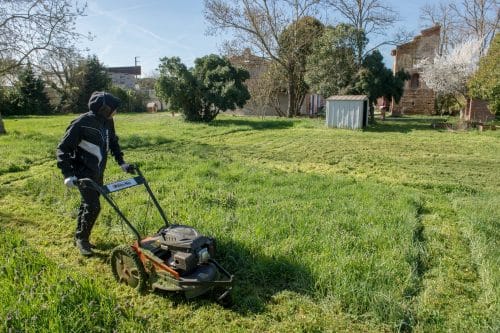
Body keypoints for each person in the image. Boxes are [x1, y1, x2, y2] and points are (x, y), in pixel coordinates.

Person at [56, 91, 133, 256]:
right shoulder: (81, 123)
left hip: (98, 170)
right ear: (104, 108)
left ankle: (79, 235)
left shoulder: (107, 121)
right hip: (82, 173)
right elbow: (63, 148)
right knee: (94, 206)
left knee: (89, 203)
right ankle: (82, 240)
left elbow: (113, 141)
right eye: (113, 109)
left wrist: (122, 163)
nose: (115, 112)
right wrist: (68, 174)